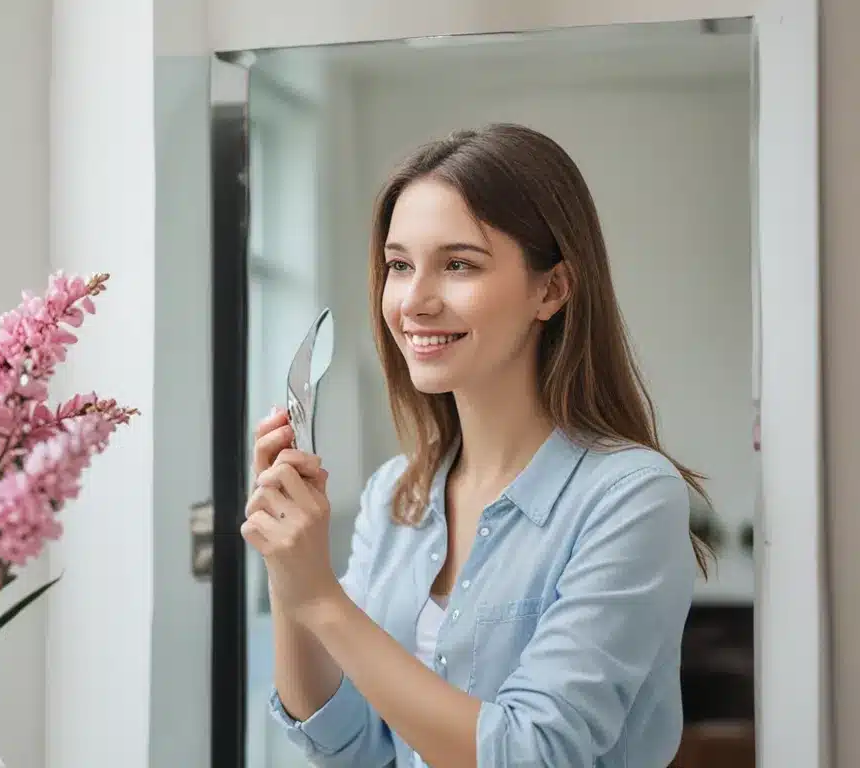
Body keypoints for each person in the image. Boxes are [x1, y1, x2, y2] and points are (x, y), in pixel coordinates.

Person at [242, 123, 708, 768]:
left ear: (552, 289)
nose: (414, 301)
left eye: (458, 264)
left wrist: (321, 597)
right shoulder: (394, 495)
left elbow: (533, 755)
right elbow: (347, 745)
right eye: (399, 265)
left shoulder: (629, 495)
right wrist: (289, 572)